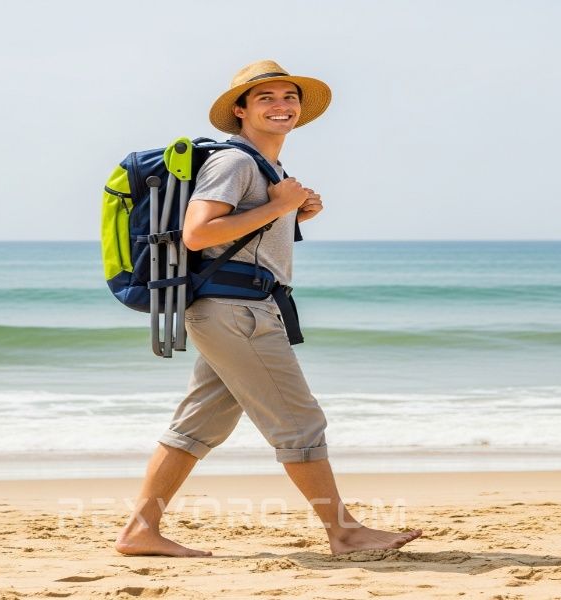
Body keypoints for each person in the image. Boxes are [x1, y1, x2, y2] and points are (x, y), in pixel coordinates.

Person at [115, 60, 423, 557]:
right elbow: (199, 233)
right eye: (266, 99)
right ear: (240, 110)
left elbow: (243, 233)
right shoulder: (235, 163)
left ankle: (138, 532)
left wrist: (291, 208)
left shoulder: (266, 168)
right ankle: (344, 532)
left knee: (196, 427)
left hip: (237, 311)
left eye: (289, 98)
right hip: (238, 314)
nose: (282, 107)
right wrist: (279, 207)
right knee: (300, 424)